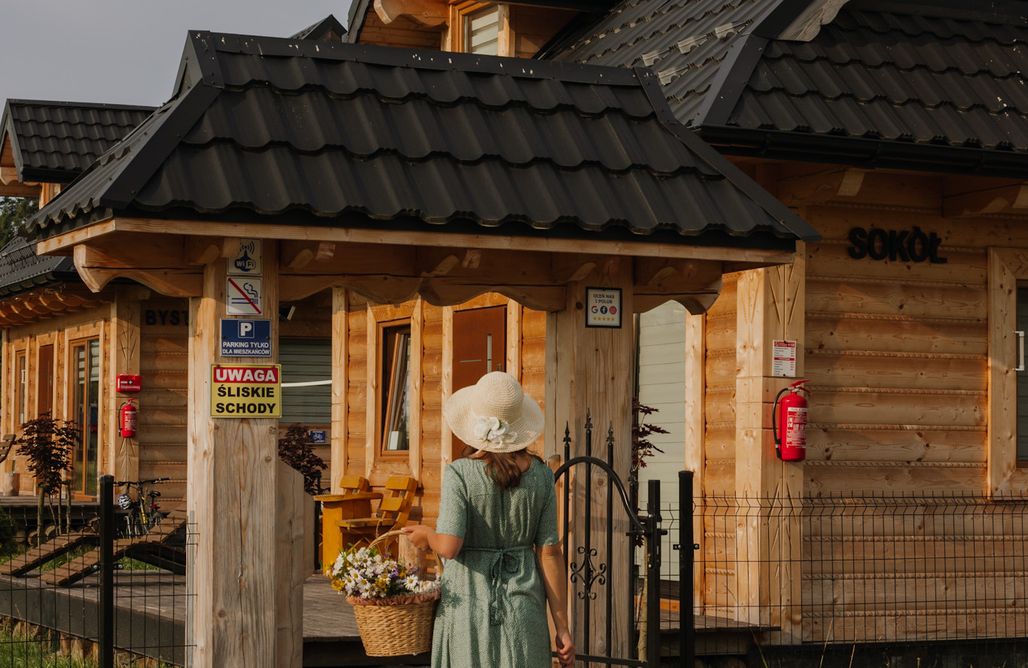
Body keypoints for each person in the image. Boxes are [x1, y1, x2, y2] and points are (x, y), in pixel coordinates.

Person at [403, 371, 576, 668]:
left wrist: (427, 535)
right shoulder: (542, 477)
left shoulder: (460, 473)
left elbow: (448, 547)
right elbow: (550, 553)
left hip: (468, 608)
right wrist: (562, 627)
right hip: (524, 607)